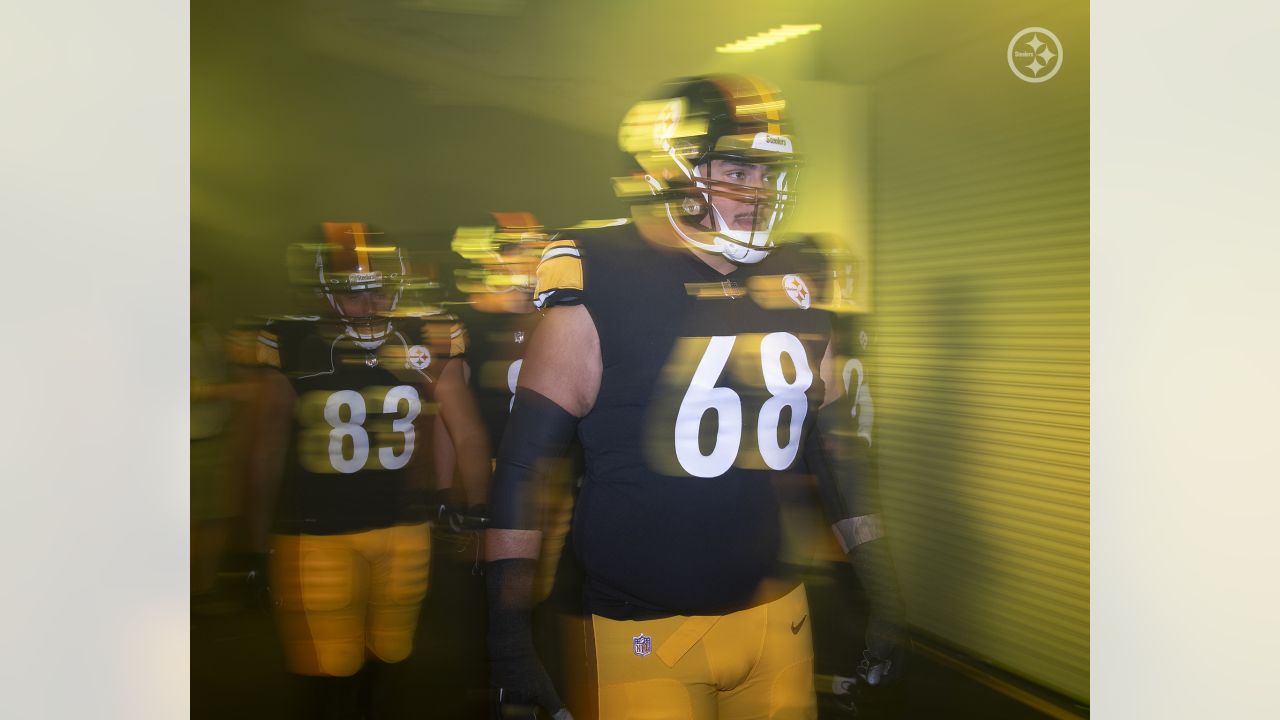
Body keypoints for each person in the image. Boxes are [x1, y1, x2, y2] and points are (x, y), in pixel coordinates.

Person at [484, 75, 905, 720]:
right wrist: (509, 639)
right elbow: (524, 466)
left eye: (767, 172)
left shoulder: (796, 278)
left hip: (777, 613)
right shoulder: (602, 270)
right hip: (645, 630)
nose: (758, 190)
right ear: (670, 166)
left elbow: (833, 451)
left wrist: (882, 586)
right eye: (737, 167)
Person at [241, 222, 491, 718]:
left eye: (380, 288)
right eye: (353, 294)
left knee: (392, 658)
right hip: (316, 532)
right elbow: (264, 447)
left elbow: (464, 427)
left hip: (403, 524)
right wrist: (251, 541)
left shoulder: (427, 335)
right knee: (331, 670)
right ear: (323, 294)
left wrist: (478, 507)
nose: (372, 304)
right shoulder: (290, 340)